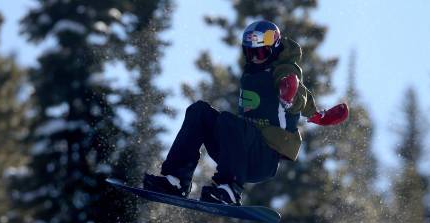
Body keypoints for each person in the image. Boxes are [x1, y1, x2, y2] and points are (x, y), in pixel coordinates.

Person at [143, 20, 349, 205]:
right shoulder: (252, 72)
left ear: (274, 49)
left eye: (261, 53)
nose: (256, 59)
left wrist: (289, 93)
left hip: (263, 156)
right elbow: (313, 113)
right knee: (199, 111)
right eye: (250, 53)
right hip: (237, 151)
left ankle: (230, 190)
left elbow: (296, 94)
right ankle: (175, 180)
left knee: (228, 121)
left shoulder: (283, 69)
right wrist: (320, 117)